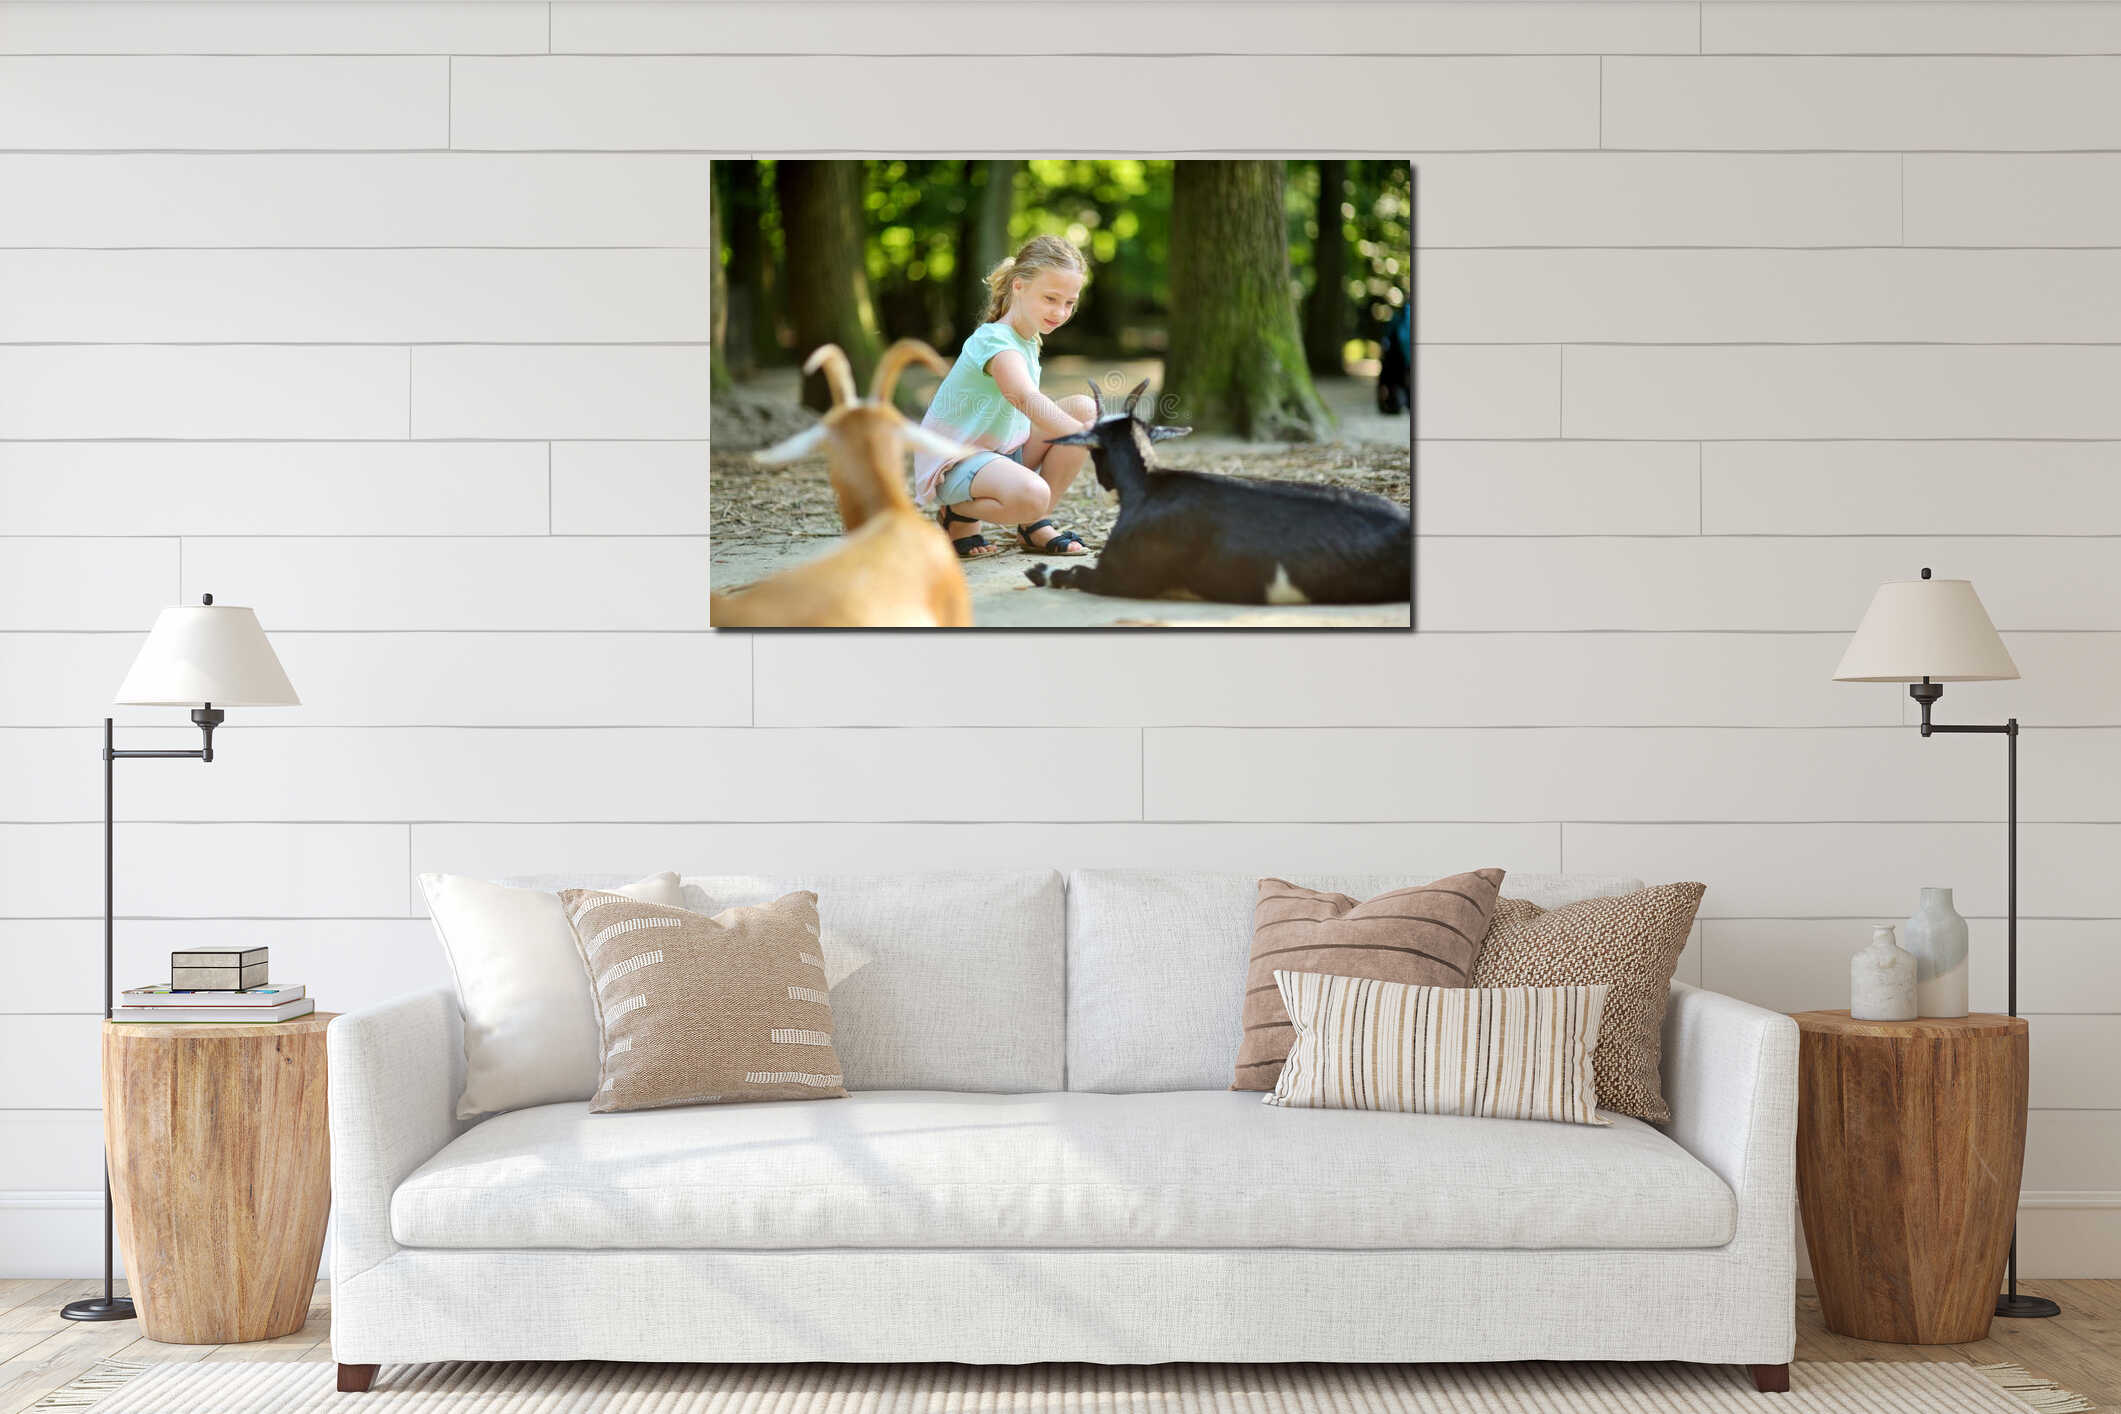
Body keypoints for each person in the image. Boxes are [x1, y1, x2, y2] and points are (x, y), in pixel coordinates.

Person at [911, 235, 1100, 559]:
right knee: (1039, 484)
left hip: (1001, 454)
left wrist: (1084, 428)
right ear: (1019, 287)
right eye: (1051, 298)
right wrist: (1091, 437)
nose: (1060, 311)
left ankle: (1032, 524)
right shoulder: (996, 342)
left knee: (1084, 408)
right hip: (957, 462)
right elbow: (1024, 398)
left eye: (1069, 302)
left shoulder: (1027, 339)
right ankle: (959, 515)